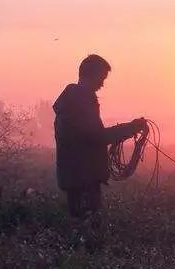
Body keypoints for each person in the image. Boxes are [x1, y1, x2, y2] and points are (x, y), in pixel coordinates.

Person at [53, 54, 146, 218]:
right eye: (101, 78)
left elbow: (93, 135)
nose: (102, 84)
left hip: (76, 178)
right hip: (83, 178)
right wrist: (132, 128)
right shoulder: (81, 101)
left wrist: (130, 128)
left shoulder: (72, 100)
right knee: (88, 225)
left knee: (81, 225)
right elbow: (97, 137)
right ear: (91, 75)